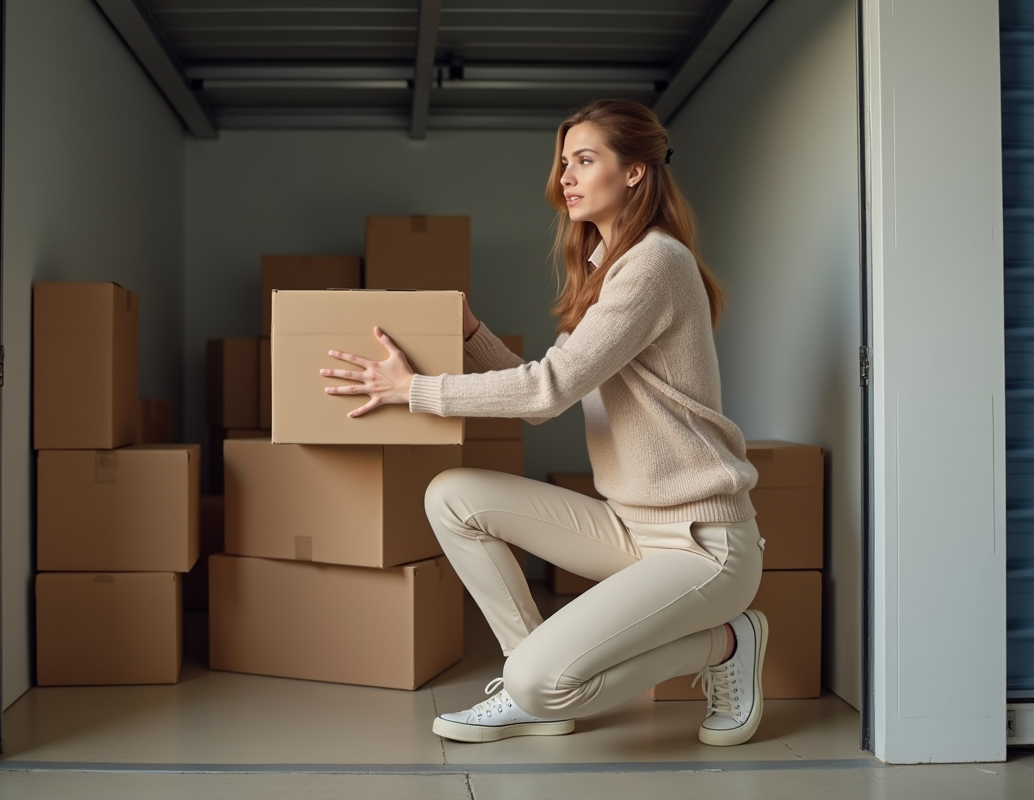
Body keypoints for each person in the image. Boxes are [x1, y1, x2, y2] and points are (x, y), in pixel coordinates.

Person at [319, 98, 767, 747]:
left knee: (540, 682)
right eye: (564, 163)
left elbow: (545, 393)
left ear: (636, 171)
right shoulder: (605, 268)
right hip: (631, 527)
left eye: (586, 160)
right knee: (452, 496)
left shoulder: (654, 264)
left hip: (704, 543)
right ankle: (533, 682)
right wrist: (472, 334)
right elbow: (554, 380)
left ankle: (723, 642)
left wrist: (412, 390)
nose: (567, 178)